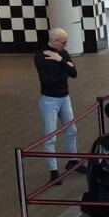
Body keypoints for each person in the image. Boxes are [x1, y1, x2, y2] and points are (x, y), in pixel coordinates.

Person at [35, 26, 78, 182]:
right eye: (63, 42)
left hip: (64, 97)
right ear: (54, 41)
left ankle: (72, 160)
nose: (65, 45)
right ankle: (53, 171)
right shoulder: (41, 56)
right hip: (49, 100)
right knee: (50, 136)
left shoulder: (63, 54)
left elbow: (74, 73)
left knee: (72, 130)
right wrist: (66, 66)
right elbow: (49, 80)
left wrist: (61, 61)